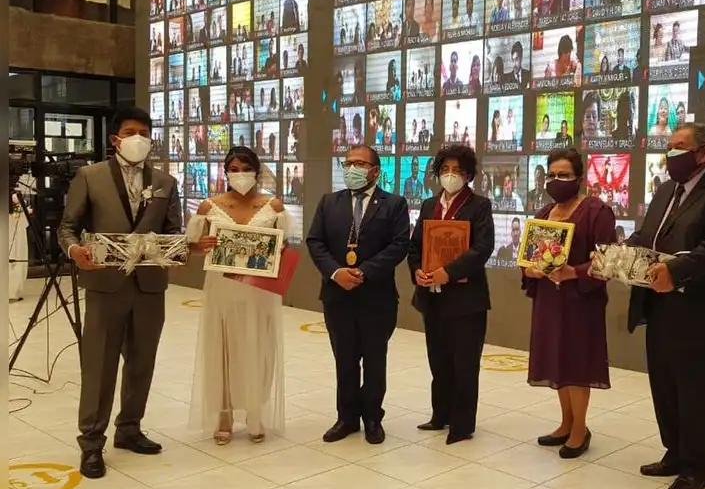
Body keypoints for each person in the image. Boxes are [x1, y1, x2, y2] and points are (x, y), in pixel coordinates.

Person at [626, 123, 705, 489]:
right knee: (665, 386)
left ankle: (698, 466)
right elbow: (648, 236)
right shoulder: (666, 190)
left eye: (679, 147)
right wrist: (620, 252)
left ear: (703, 152)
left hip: (703, 312)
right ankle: (675, 453)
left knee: (697, 391)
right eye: (669, 147)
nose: (671, 154)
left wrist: (675, 270)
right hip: (660, 307)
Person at [58, 107, 183, 479]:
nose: (138, 138)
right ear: (115, 139)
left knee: (142, 361)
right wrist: (74, 251)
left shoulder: (164, 181)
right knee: (100, 364)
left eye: (144, 132)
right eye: (131, 132)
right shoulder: (89, 176)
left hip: (149, 285)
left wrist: (184, 245)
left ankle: (129, 428)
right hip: (105, 284)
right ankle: (91, 442)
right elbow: (68, 227)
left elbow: (172, 232)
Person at [186, 147, 291, 445]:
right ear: (225, 172)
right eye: (234, 168)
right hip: (223, 288)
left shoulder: (274, 207)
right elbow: (192, 247)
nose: (240, 173)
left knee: (260, 347)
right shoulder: (209, 206)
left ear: (257, 171)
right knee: (223, 349)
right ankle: (224, 413)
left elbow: (284, 248)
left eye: (246, 167)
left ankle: (256, 411)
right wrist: (201, 245)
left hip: (260, 290)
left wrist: (279, 252)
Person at [306, 145, 410, 445]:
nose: (352, 168)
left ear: (375, 171)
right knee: (345, 360)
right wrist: (336, 273)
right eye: (348, 162)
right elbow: (316, 241)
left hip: (376, 297)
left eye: (360, 163)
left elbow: (399, 245)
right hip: (337, 295)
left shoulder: (394, 204)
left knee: (375, 361)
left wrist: (364, 271)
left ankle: (373, 418)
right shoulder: (329, 202)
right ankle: (346, 418)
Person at [522, 148, 616, 459]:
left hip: (580, 301)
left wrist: (572, 272)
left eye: (564, 175)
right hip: (549, 300)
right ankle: (565, 423)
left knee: (577, 363)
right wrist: (530, 269)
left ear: (579, 177)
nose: (556, 180)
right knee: (557, 360)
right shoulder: (543, 214)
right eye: (551, 175)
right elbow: (529, 260)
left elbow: (608, 262)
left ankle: (580, 430)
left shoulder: (597, 212)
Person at [408, 145, 495, 444]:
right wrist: (418, 270)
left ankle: (462, 424)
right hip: (432, 295)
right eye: (445, 169)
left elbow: (482, 248)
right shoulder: (429, 204)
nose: (450, 175)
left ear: (468, 174)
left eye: (457, 170)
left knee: (465, 362)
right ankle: (440, 415)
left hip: (466, 299)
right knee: (439, 359)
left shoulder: (479, 205)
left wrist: (449, 272)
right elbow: (415, 245)